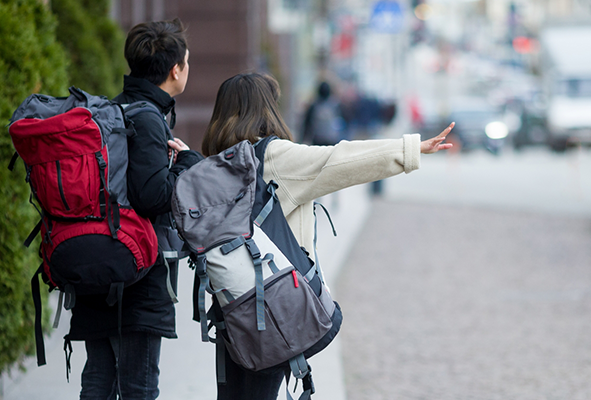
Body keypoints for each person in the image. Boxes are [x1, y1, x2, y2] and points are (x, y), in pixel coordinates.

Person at [201, 72, 453, 400]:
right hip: (270, 307)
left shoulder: (215, 164)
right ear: (265, 110)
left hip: (228, 306)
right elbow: (340, 159)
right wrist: (410, 150)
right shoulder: (274, 157)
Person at [67, 19, 204, 400]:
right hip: (137, 277)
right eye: (187, 62)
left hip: (100, 262)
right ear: (176, 69)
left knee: (98, 380)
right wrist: (186, 163)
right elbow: (153, 196)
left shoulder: (114, 109)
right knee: (138, 388)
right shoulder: (146, 118)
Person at [300, 81, 346, 145]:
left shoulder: (314, 106)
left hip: (318, 138)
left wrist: (304, 138)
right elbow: (341, 121)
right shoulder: (335, 105)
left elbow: (307, 123)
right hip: (331, 138)